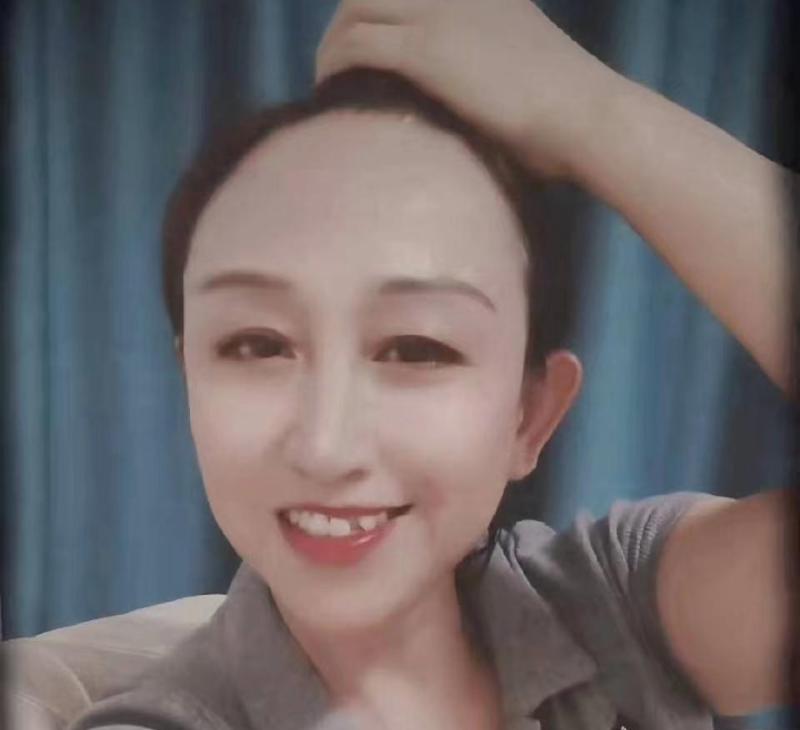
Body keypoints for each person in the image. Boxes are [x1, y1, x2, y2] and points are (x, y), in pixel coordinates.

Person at [71, 1, 796, 729]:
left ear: (531, 416)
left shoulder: (616, 612)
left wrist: (588, 110)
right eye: (258, 345)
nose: (327, 448)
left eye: (416, 348)